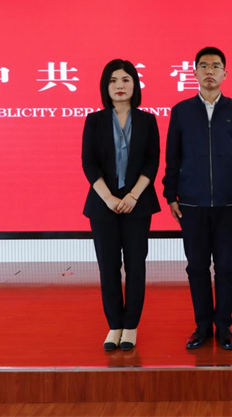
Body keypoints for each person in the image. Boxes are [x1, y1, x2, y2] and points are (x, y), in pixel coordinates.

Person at [163, 46, 232, 350]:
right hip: (191, 204)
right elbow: (172, 157)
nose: (209, 71)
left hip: (230, 204)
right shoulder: (181, 112)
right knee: (197, 267)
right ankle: (202, 325)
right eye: (203, 66)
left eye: (215, 66)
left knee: (227, 267)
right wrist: (171, 194)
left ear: (224, 74)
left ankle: (224, 326)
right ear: (194, 73)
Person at [81, 59, 161, 351]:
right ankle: (114, 325)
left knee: (136, 266)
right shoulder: (94, 121)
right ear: (105, 86)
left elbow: (152, 162)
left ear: (135, 85)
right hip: (103, 205)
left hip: (137, 205)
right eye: (113, 80)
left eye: (126, 80)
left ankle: (131, 326)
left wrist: (132, 196)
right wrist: (109, 198)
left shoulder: (148, 121)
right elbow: (89, 163)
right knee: (109, 267)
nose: (119, 86)